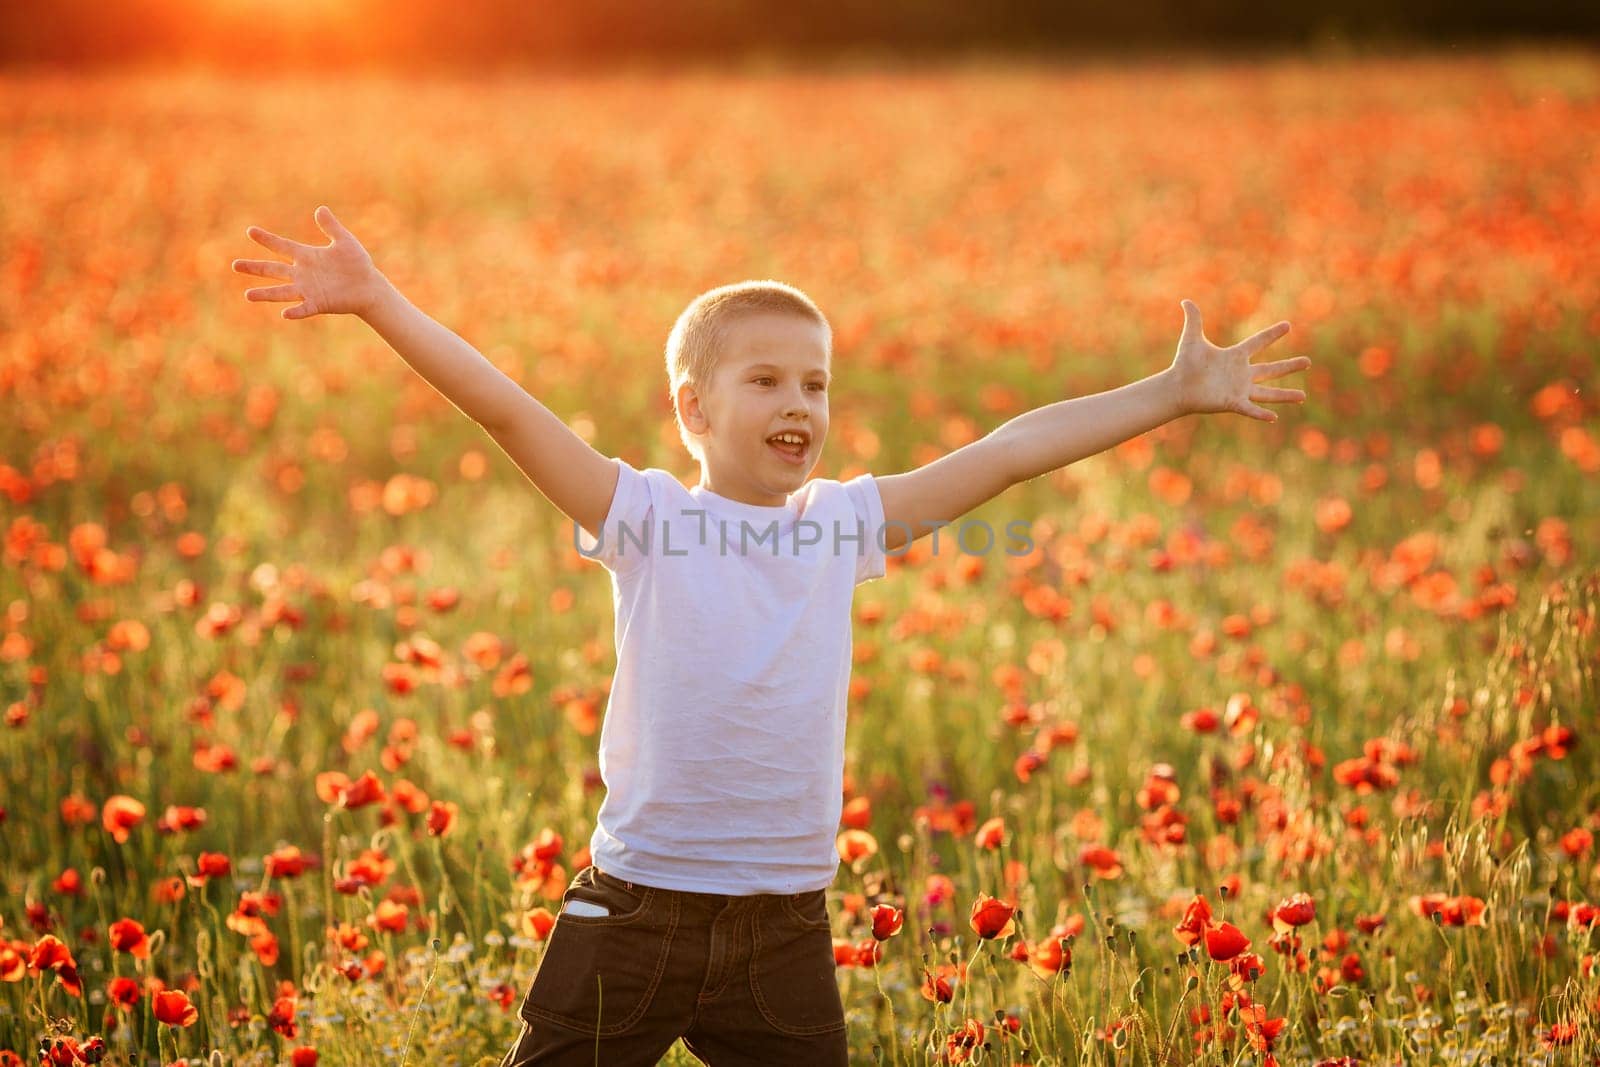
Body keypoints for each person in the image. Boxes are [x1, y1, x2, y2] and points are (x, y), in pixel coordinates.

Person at [233, 206, 1310, 1066]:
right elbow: (508, 410)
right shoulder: (645, 516)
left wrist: (1169, 394)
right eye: (767, 381)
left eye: (816, 383)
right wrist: (379, 303)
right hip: (638, 911)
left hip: (783, 927)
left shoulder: (845, 525)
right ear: (693, 410)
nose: (800, 402)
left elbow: (1011, 450)